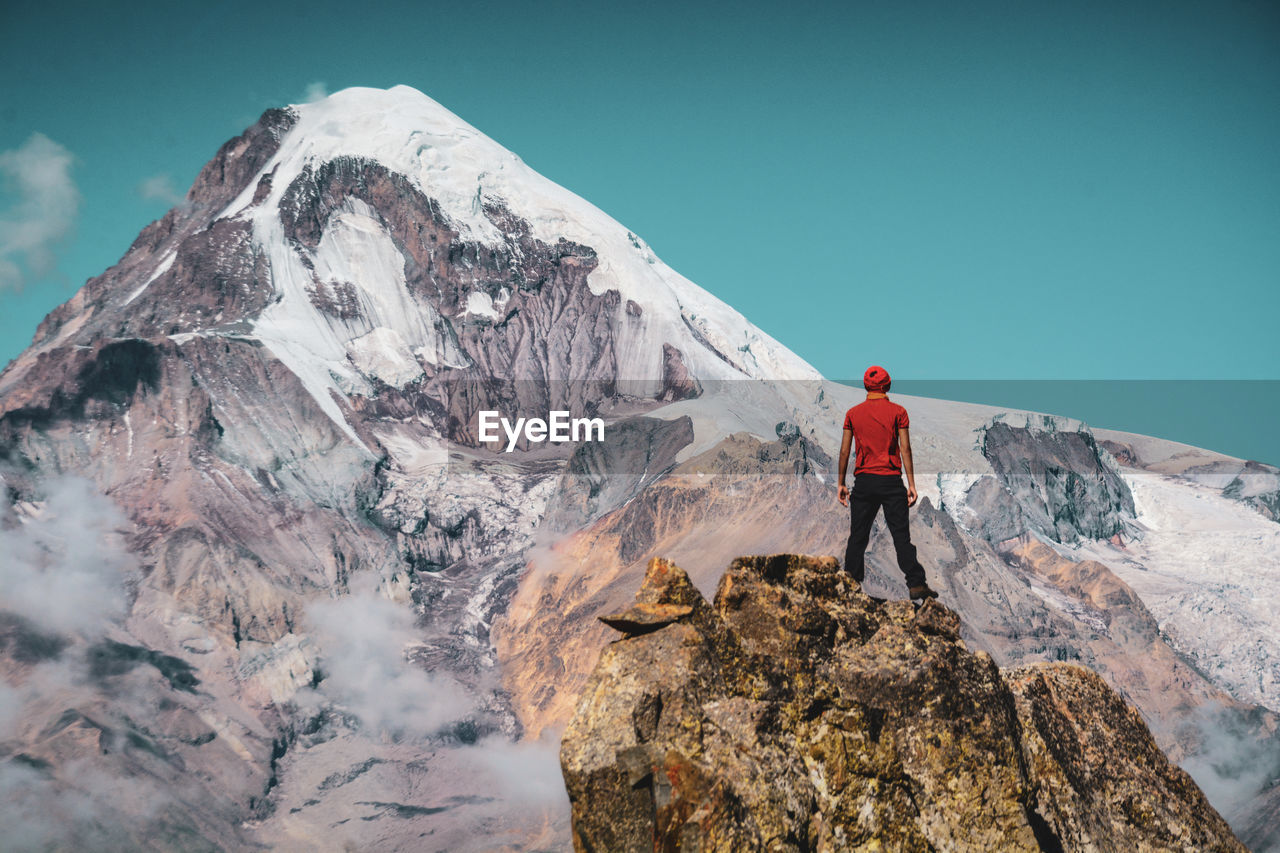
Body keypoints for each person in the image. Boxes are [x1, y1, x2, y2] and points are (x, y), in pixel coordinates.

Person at [836, 365, 937, 600]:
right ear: (888, 385)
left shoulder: (853, 414)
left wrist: (840, 482)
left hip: (864, 482)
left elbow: (844, 451)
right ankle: (916, 583)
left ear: (865, 385)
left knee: (858, 535)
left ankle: (850, 584)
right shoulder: (899, 412)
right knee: (901, 536)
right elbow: (905, 448)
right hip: (891, 481)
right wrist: (911, 484)